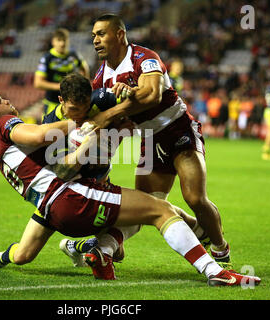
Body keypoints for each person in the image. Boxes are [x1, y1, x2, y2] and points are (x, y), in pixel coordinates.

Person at [0, 84, 260, 287]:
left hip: (54, 204)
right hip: (70, 196)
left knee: (28, 255)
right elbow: (44, 138)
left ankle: (85, 251)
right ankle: (214, 271)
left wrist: (106, 130)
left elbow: (64, 159)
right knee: (160, 210)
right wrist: (86, 127)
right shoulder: (9, 125)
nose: (6, 101)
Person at [88, 13, 233, 269]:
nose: (96, 40)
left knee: (195, 198)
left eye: (101, 34)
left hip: (178, 130)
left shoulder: (144, 57)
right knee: (147, 204)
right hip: (149, 140)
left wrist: (117, 106)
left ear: (119, 34)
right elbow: (100, 119)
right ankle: (107, 248)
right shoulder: (100, 78)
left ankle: (220, 248)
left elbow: (153, 94)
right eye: (93, 36)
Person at [34, 28, 90, 118]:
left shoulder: (74, 55)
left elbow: (84, 68)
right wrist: (63, 86)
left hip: (72, 104)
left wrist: (83, 83)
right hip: (52, 103)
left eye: (64, 40)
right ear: (53, 42)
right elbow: (38, 83)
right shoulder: (47, 58)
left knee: (72, 130)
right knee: (50, 131)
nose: (62, 43)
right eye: (59, 40)